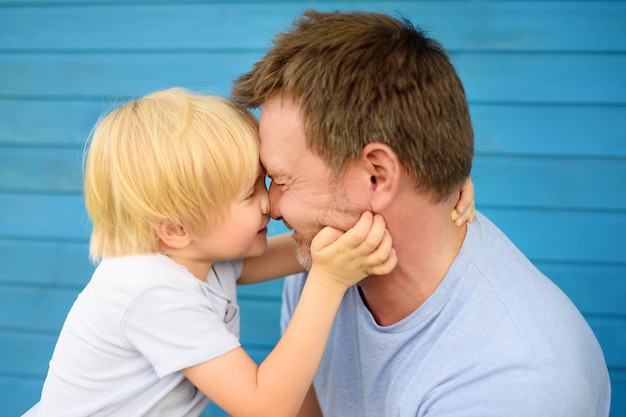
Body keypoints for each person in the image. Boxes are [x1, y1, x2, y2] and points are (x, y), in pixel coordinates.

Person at [231, 9, 611, 417]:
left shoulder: (512, 383)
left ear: (377, 177)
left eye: (283, 180)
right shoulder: (325, 257)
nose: (271, 205)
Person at [23, 88, 401, 417]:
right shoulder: (151, 291)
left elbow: (319, 249)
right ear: (176, 229)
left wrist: (410, 204)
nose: (269, 202)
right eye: (250, 194)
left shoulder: (196, 258)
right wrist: (329, 281)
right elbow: (265, 408)